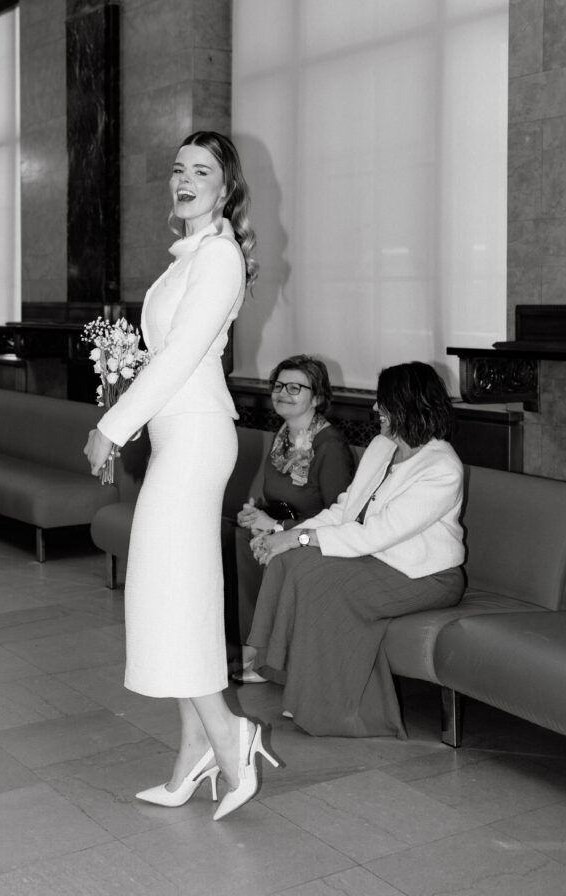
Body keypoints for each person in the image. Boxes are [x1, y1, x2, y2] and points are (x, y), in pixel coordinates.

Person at [84, 131, 278, 820]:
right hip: (176, 437)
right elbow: (161, 355)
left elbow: (182, 357)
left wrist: (111, 427)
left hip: (196, 439)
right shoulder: (185, 260)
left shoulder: (220, 256)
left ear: (226, 188)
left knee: (171, 594)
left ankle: (229, 738)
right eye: (177, 169)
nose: (185, 179)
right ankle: (194, 745)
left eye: (202, 170)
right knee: (172, 593)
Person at [247, 361, 466, 737]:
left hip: (425, 576)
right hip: (378, 560)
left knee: (317, 577)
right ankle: (269, 663)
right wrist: (288, 536)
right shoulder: (383, 447)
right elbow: (345, 510)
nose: (376, 410)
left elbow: (377, 534)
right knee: (291, 562)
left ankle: (339, 710)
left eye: (384, 403)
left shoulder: (442, 467)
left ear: (409, 406)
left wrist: (295, 537)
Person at [231, 354, 354, 682]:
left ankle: (269, 659)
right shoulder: (283, 435)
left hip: (314, 536)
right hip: (280, 522)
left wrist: (274, 527)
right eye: (279, 385)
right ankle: (248, 647)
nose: (283, 392)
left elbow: (339, 516)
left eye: (295, 387)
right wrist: (255, 513)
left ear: (316, 397)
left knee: (254, 543)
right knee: (239, 535)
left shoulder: (330, 445)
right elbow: (276, 496)